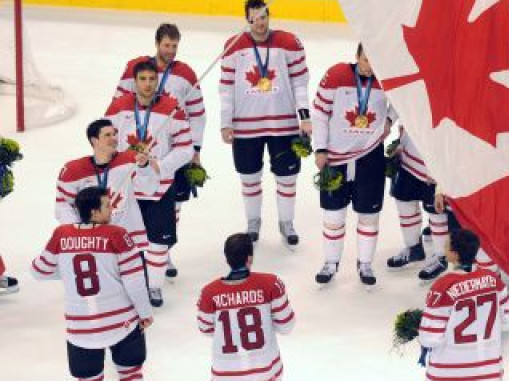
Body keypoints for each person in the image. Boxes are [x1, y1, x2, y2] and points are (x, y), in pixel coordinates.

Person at [31, 186, 154, 381]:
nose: (113, 209)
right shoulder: (118, 235)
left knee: (90, 378)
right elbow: (134, 281)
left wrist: (66, 272)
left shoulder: (61, 235)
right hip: (122, 320)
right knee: (130, 368)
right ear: (95, 211)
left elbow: (38, 270)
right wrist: (145, 313)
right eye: (108, 206)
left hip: (81, 326)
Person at [114, 23, 207, 280]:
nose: (171, 51)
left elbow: (198, 114)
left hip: (172, 149)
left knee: (172, 202)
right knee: (136, 204)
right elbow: (116, 105)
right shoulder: (138, 69)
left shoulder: (186, 73)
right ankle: (139, 254)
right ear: (157, 44)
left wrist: (195, 149)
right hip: (137, 150)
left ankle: (163, 253)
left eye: (175, 46)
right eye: (167, 45)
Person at [220, 0, 312, 245]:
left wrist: (304, 117)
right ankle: (253, 221)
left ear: (269, 17)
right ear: (247, 20)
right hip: (245, 126)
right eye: (254, 19)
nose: (259, 24)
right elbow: (226, 89)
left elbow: (300, 84)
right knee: (249, 177)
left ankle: (286, 222)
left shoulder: (289, 43)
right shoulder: (233, 46)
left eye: (263, 18)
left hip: (283, 125)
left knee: (287, 177)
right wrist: (225, 123)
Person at [105, 59, 193, 307]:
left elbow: (185, 148)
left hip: (160, 187)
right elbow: (104, 141)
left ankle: (154, 286)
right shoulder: (119, 107)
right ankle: (125, 286)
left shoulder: (172, 108)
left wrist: (159, 166)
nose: (147, 84)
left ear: (157, 81)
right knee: (125, 240)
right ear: (134, 82)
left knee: (157, 240)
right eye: (142, 79)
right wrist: (120, 163)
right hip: (126, 187)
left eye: (151, 79)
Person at [416, 229, 509, 381]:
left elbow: (430, 338)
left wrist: (419, 327)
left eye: (447, 245)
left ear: (454, 253)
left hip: (448, 374)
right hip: (485, 372)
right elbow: (507, 322)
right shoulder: (494, 281)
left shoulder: (443, 287)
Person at [197, 233, 295, 381]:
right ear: (250, 258)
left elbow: (205, 329)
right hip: (265, 377)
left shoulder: (209, 293)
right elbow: (287, 325)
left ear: (226, 259)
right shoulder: (271, 283)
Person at [311, 43, 395, 287]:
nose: (371, 66)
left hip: (370, 156)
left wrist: (389, 119)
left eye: (376, 60)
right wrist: (320, 148)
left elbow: (404, 101)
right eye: (367, 59)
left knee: (369, 215)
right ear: (357, 56)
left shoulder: (387, 78)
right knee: (333, 215)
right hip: (336, 158)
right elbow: (319, 113)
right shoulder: (337, 75)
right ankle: (330, 263)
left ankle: (365, 263)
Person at [55, 118, 158, 254]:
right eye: (107, 135)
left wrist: (144, 167)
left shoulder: (130, 160)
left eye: (114, 134)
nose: (113, 138)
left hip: (129, 238)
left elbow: (149, 190)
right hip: (93, 242)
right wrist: (77, 233)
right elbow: (62, 205)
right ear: (94, 141)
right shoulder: (73, 170)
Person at [386, 128, 450, 282]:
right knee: (403, 200)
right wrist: (401, 139)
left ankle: (442, 257)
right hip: (409, 157)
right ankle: (414, 248)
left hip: (436, 164)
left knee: (437, 211)